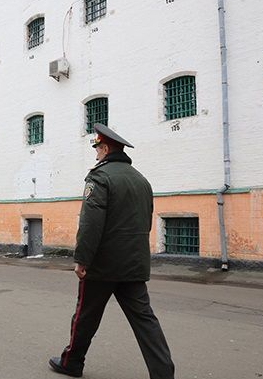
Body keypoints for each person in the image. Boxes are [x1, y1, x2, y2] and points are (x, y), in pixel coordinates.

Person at [49, 123, 175, 379]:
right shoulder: (141, 180)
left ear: (105, 148)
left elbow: (90, 224)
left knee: (85, 317)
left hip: (102, 266)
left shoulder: (99, 177)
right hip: (134, 264)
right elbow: (146, 221)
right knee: (145, 321)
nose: (95, 153)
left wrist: (82, 259)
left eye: (97, 148)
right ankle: (164, 374)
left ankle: (71, 363)